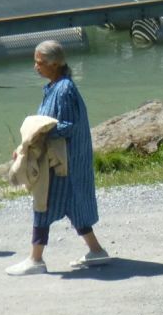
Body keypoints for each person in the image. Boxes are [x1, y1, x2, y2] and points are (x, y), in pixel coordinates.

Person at [6, 39, 109, 275]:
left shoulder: (64, 90)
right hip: (62, 161)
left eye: (40, 62)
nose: (36, 67)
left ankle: (36, 259)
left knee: (43, 205)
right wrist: (26, 145)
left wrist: (37, 135)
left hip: (63, 163)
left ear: (54, 63)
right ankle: (96, 251)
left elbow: (68, 125)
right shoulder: (55, 87)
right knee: (73, 206)